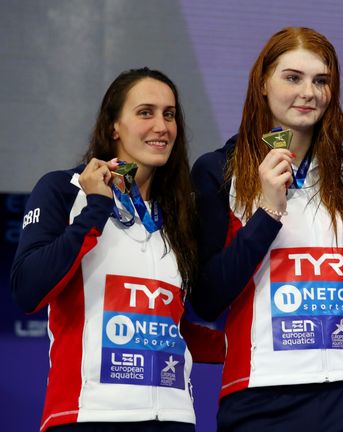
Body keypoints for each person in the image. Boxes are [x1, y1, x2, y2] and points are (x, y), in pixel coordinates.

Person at [191, 27, 343, 432]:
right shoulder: (218, 170)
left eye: (321, 81)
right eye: (292, 77)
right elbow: (207, 298)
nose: (309, 92)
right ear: (263, 82)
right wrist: (266, 212)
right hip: (260, 393)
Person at [10, 68, 221, 432]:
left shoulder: (181, 212)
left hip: (174, 417)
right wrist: (95, 209)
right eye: (145, 113)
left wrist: (248, 347)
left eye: (169, 115)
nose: (162, 126)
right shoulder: (65, 189)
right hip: (89, 415)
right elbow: (28, 290)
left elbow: (169, 324)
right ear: (113, 127)